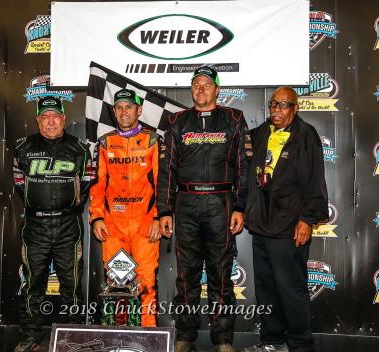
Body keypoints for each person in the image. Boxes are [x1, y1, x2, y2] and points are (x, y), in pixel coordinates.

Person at [157, 66, 251, 352]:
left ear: (217, 89)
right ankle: (185, 335)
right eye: (196, 84)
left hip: (220, 204)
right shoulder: (176, 121)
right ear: (191, 89)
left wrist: (239, 206)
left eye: (207, 85)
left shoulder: (234, 118)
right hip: (185, 205)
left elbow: (243, 167)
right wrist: (164, 210)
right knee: (186, 275)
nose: (201, 89)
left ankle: (223, 340)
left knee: (221, 273)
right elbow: (166, 170)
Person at [242, 87, 328, 352]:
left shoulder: (306, 135)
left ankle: (301, 345)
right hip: (262, 224)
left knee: (291, 290)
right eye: (273, 105)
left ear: (295, 108)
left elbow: (315, 181)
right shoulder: (260, 134)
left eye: (284, 105)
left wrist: (307, 219)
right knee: (266, 289)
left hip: (290, 226)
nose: (277, 111)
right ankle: (272, 342)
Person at [13, 96, 94, 352]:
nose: (51, 121)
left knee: (71, 282)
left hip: (68, 225)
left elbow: (90, 177)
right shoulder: (23, 147)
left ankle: (75, 333)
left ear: (63, 119)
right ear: (38, 120)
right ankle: (30, 334)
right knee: (33, 282)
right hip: (34, 226)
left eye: (55, 116)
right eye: (45, 117)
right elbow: (18, 182)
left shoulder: (79, 148)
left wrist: (72, 201)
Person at [89, 88, 162, 327]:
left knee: (146, 283)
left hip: (145, 226)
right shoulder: (105, 142)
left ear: (139, 110)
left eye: (129, 107)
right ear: (114, 112)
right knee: (117, 283)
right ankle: (117, 334)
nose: (123, 112)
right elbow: (97, 185)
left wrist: (159, 217)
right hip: (114, 228)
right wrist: (97, 218)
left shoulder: (153, 141)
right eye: (119, 107)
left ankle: (150, 335)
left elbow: (162, 184)